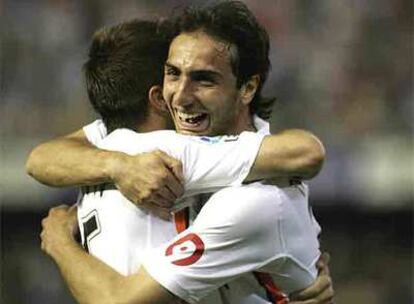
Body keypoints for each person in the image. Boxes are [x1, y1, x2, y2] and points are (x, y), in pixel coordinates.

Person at [35, 2, 334, 303]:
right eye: (173, 74)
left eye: (204, 79)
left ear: (247, 88)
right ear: (157, 93)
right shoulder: (148, 142)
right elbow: (42, 157)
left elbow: (307, 152)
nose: (181, 96)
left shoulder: (254, 200)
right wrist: (119, 166)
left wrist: (59, 241)